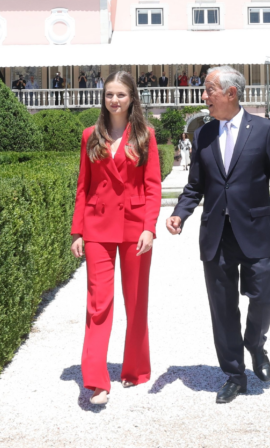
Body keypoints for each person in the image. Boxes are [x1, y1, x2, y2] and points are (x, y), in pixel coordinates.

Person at [167, 66, 270, 405]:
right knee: (222, 308)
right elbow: (196, 184)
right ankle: (234, 375)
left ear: (231, 93)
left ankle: (255, 343)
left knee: (264, 296)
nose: (204, 96)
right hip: (216, 234)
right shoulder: (203, 134)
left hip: (257, 231)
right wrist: (179, 213)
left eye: (209, 89)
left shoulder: (265, 130)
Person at [71, 71, 161, 406]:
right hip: (97, 229)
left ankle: (135, 369)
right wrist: (77, 231)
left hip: (136, 228)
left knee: (136, 301)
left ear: (132, 98)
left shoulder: (146, 135)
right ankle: (96, 379)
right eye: (110, 94)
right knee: (99, 303)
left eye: (121, 94)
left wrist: (150, 228)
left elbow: (153, 187)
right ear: (103, 98)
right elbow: (84, 186)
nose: (115, 100)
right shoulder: (89, 136)